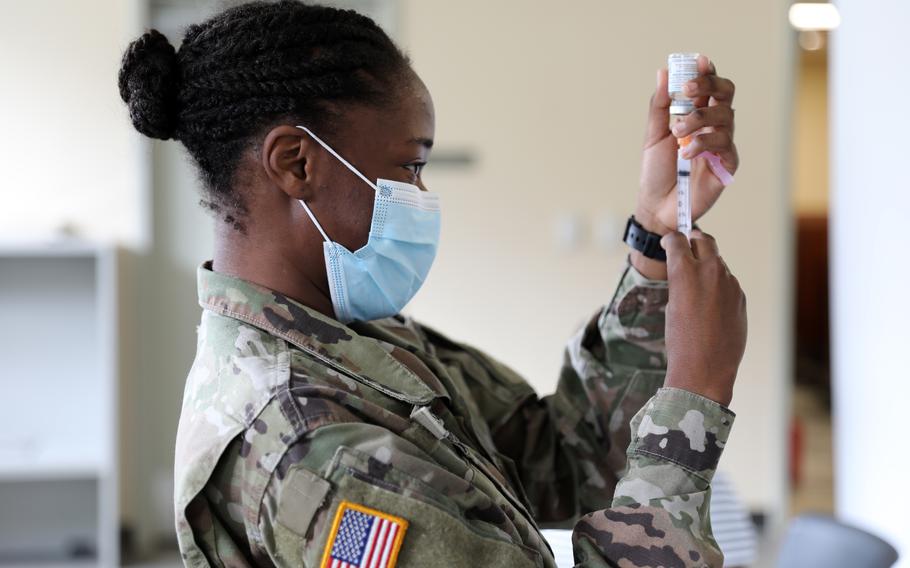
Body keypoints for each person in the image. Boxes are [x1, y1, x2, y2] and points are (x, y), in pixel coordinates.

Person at [117, 2, 746, 566]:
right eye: (409, 166)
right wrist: (695, 392)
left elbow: (565, 460)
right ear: (295, 163)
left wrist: (651, 239)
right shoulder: (307, 444)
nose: (420, 195)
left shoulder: (352, 338)